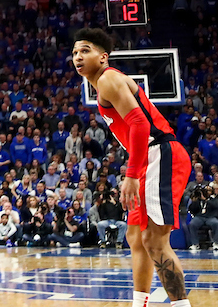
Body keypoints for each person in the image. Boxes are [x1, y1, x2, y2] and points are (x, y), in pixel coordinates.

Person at [73, 28, 192, 307]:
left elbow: (140, 124)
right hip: (150, 156)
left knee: (154, 240)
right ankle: (140, 303)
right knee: (135, 236)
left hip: (160, 153)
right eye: (75, 52)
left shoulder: (108, 79)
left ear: (103, 57)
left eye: (85, 50)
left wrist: (132, 174)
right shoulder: (104, 84)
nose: (78, 56)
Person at [187, 182, 218, 251]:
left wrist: (206, 200)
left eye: (209, 191)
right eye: (205, 191)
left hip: (210, 217)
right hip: (200, 217)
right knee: (192, 224)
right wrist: (194, 201)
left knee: (216, 223)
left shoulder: (214, 199)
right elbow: (192, 209)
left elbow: (216, 206)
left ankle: (216, 243)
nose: (207, 192)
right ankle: (195, 244)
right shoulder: (198, 199)